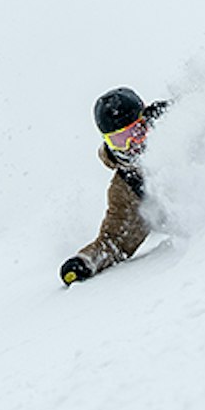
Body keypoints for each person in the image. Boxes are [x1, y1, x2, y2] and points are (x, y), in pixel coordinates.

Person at [60, 87, 168, 285]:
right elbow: (115, 240)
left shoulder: (177, 129)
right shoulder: (128, 186)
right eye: (120, 140)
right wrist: (87, 261)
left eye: (137, 132)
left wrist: (173, 113)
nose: (131, 144)